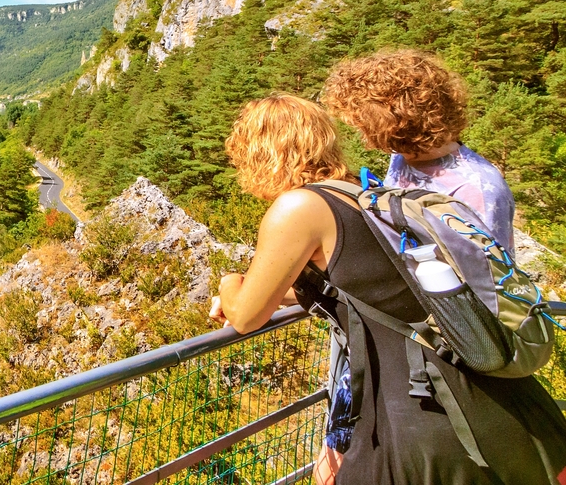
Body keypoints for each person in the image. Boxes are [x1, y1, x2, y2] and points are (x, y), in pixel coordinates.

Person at [209, 94, 566, 484]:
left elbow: (245, 315)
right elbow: (365, 286)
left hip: (428, 421)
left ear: (257, 152)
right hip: (498, 404)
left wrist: (231, 284)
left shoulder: (300, 206)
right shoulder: (364, 193)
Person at [316, 49, 519, 480]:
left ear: (392, 117)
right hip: (387, 343)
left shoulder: (476, 188)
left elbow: (487, 292)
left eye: (360, 120)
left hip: (439, 364)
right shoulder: (404, 161)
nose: (359, 133)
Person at [322, 48, 514, 247]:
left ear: (396, 122)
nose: (361, 133)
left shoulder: (476, 187)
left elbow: (492, 270)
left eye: (364, 125)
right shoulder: (403, 155)